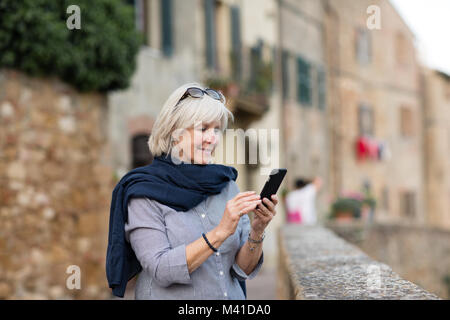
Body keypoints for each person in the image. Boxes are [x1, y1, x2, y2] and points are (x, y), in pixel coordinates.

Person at [105, 83, 278, 300]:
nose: (212, 138)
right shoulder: (144, 191)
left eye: (216, 130)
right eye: (203, 129)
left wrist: (257, 230)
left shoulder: (226, 184)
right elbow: (161, 270)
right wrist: (220, 232)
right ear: (174, 133)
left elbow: (241, 269)